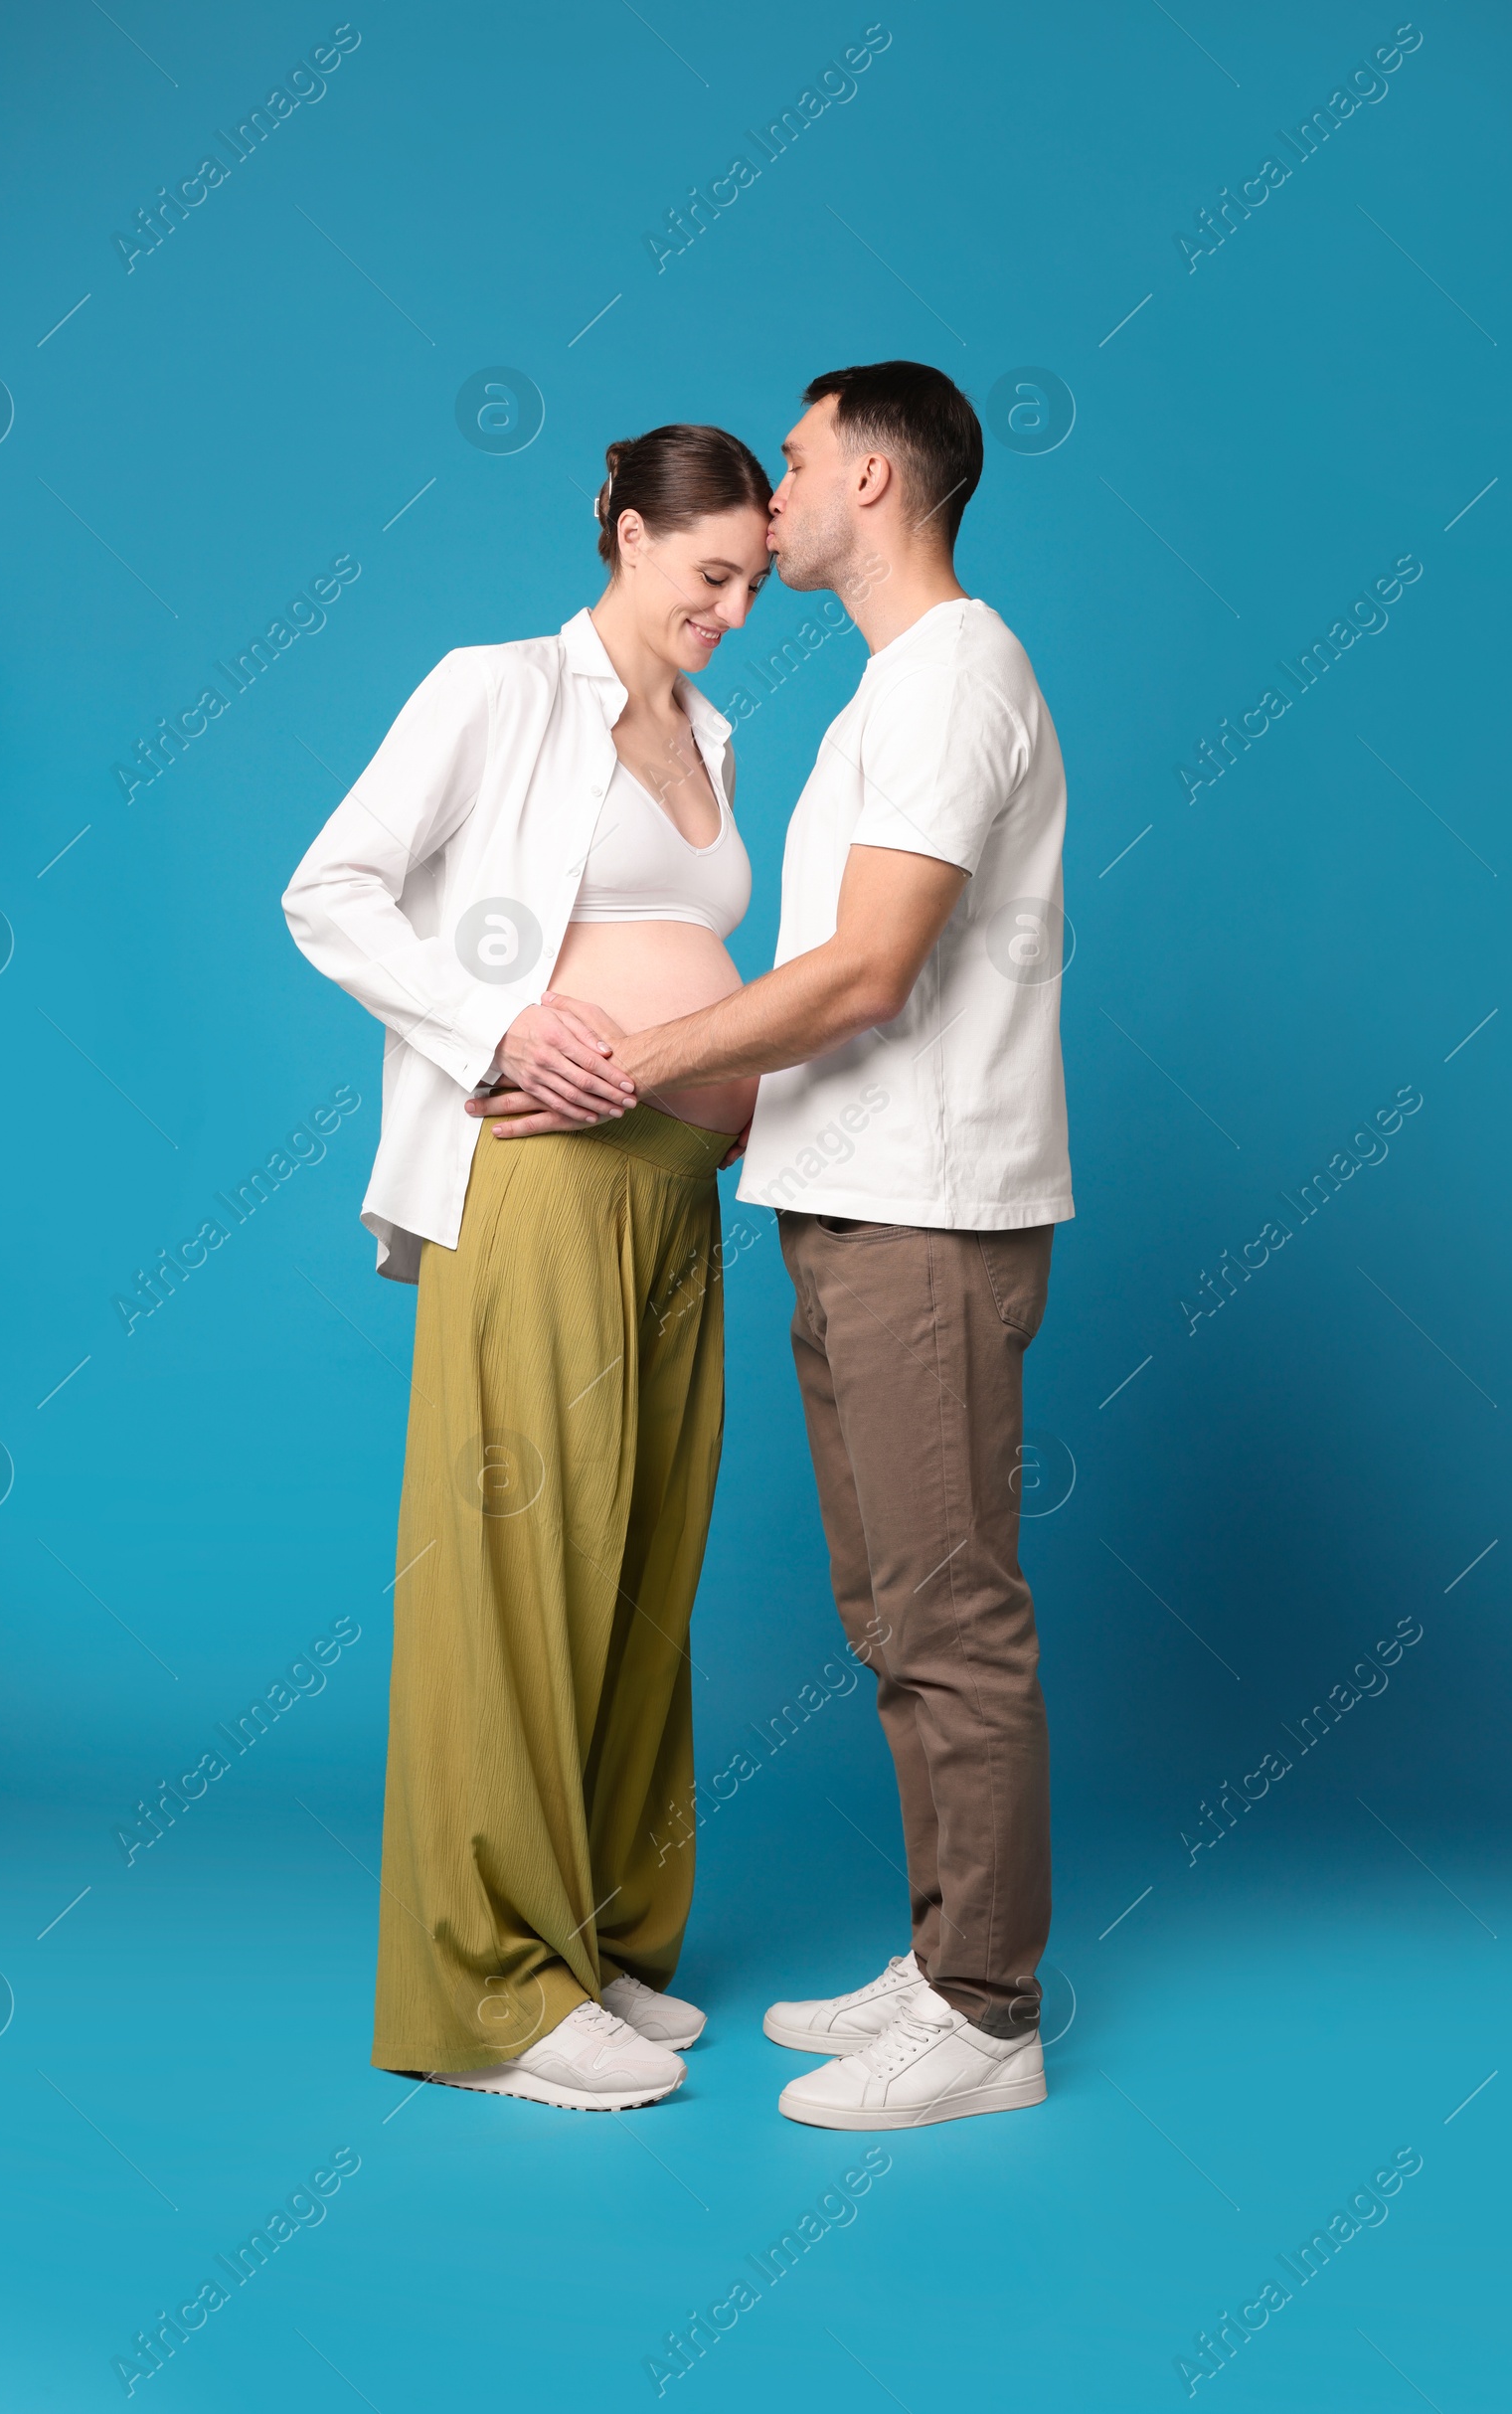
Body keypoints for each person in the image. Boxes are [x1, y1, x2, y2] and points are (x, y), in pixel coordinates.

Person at [483, 360, 1073, 2130]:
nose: (778, 489)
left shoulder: (960, 674)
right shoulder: (900, 689)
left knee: (949, 1608)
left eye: (800, 460)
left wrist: (629, 1066)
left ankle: (985, 2020)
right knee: (888, 1602)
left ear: (876, 484)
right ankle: (944, 1954)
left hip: (928, 1213)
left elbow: (871, 968)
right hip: (847, 1197)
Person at [281, 423, 772, 2112]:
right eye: (708, 573)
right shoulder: (493, 689)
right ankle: (489, 1991)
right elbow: (329, 889)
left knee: (644, 1554)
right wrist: (501, 1020)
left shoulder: (715, 734)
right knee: (522, 1561)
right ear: (622, 533)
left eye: (755, 583)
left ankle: (600, 1937)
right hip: (543, 1180)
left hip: (679, 1192)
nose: (731, 609)